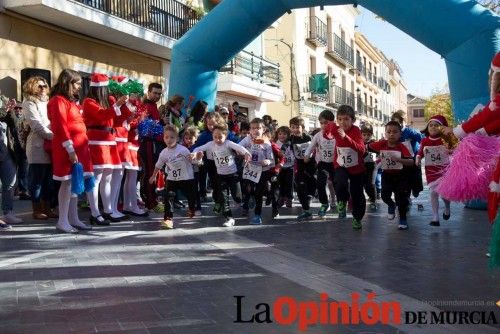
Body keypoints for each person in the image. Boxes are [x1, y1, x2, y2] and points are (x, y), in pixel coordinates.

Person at [442, 51, 500, 267]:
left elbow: (487, 117)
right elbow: (492, 125)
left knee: (495, 197)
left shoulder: (497, 102)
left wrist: (458, 131)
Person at [48, 69, 93, 233]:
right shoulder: (58, 101)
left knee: (74, 182)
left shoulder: (70, 101)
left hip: (78, 147)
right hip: (67, 148)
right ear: (68, 83)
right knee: (66, 183)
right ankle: (62, 220)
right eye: (77, 84)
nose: (79, 87)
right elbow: (60, 126)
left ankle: (73, 218)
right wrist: (70, 149)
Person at [83, 73, 128, 225]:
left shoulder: (109, 100)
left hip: (109, 140)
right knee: (96, 178)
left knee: (107, 177)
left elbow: (118, 119)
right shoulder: (88, 102)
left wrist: (125, 104)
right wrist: (117, 105)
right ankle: (95, 212)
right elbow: (101, 115)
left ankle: (108, 210)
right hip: (96, 140)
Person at [193, 124, 250, 226]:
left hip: (233, 175)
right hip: (220, 176)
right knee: (223, 199)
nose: (218, 140)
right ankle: (229, 218)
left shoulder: (228, 143)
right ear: (212, 136)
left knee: (237, 197)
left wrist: (246, 153)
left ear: (225, 136)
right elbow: (199, 148)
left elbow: (239, 147)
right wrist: (194, 153)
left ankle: (240, 201)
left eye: (220, 137)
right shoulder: (210, 144)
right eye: (215, 137)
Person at [323, 105, 366, 230]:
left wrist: (345, 138)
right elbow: (327, 131)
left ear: (352, 120)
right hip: (341, 164)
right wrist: (327, 133)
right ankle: (342, 200)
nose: (343, 122)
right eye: (340, 119)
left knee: (357, 194)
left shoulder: (356, 131)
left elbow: (361, 150)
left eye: (346, 119)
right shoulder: (335, 127)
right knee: (339, 182)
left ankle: (357, 218)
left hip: (357, 168)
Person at [22, 76, 57, 220]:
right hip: (37, 145)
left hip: (50, 144)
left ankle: (47, 208)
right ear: (31, 87)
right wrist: (54, 136)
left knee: (49, 179)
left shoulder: (48, 101)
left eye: (44, 86)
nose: (43, 89)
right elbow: (36, 125)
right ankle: (36, 209)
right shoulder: (29, 102)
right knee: (36, 180)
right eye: (39, 86)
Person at [369, 121, 415, 230]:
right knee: (384, 195)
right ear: (385, 133)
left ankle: (403, 219)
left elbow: (411, 162)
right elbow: (367, 147)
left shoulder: (402, 146)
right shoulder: (382, 144)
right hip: (387, 175)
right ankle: (391, 204)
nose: (391, 134)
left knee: (401, 199)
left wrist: (399, 159)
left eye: (395, 132)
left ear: (400, 134)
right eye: (388, 132)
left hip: (401, 176)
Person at [149, 125, 196, 229]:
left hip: (186, 178)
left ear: (177, 138)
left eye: (172, 137)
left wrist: (197, 158)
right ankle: (168, 219)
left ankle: (192, 208)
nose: (169, 140)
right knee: (168, 197)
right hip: (172, 179)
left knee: (190, 196)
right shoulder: (164, 152)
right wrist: (153, 176)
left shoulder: (183, 150)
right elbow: (158, 165)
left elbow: (193, 161)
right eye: (166, 137)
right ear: (163, 138)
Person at [416, 115, 452, 226]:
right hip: (431, 171)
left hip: (444, 170)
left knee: (444, 195)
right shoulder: (425, 140)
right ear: (427, 127)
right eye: (431, 125)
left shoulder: (445, 139)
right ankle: (435, 216)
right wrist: (417, 158)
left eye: (436, 125)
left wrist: (449, 150)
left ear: (442, 127)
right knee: (433, 192)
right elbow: (420, 152)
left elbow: (453, 150)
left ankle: (447, 207)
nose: (433, 127)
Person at [239, 118, 275, 225]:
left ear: (263, 129)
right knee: (247, 189)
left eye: (258, 128)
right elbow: (238, 147)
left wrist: (267, 161)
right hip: (249, 169)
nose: (256, 130)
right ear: (250, 130)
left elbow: (272, 160)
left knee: (259, 193)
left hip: (262, 170)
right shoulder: (247, 139)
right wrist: (244, 152)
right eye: (253, 128)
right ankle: (249, 201)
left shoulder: (266, 143)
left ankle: (257, 215)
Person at [304, 110, 336, 218]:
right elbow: (311, 146)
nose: (323, 125)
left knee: (337, 185)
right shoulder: (318, 135)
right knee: (320, 184)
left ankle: (340, 203)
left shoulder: (337, 134)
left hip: (336, 164)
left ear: (332, 122)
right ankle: (324, 203)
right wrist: (307, 154)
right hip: (323, 163)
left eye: (326, 122)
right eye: (321, 123)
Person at [391, 110, 424, 209]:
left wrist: (421, 152)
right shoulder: (394, 133)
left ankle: (416, 189)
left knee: (415, 181)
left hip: (413, 161)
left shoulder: (411, 132)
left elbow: (422, 140)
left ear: (404, 122)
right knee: (404, 182)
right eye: (396, 122)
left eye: (400, 122)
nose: (399, 124)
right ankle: (406, 198)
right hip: (402, 162)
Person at [0, 95, 24, 227]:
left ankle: (8, 213)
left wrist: (12, 111)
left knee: (10, 182)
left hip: (6, 148)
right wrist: (6, 109)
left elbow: (15, 124)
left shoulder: (4, 99)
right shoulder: (4, 105)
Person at [139, 82, 164, 210]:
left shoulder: (153, 106)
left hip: (155, 144)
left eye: (159, 93)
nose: (157, 96)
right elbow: (145, 130)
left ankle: (152, 200)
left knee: (154, 172)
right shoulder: (145, 107)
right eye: (155, 93)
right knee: (150, 173)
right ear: (148, 92)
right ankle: (151, 202)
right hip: (148, 144)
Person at [289, 117, 316, 220]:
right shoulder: (291, 139)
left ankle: (311, 195)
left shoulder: (309, 138)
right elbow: (286, 145)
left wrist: (309, 156)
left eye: (297, 127)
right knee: (300, 186)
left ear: (303, 128)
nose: (295, 129)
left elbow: (315, 148)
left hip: (310, 165)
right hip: (299, 165)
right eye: (293, 127)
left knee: (312, 183)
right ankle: (306, 210)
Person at [274, 126, 294, 208]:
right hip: (281, 167)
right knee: (281, 183)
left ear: (288, 135)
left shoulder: (291, 143)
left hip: (290, 166)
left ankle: (289, 198)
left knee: (290, 183)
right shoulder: (276, 143)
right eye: (280, 134)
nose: (282, 136)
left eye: (284, 134)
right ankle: (281, 198)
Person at [361, 123, 377, 211]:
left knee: (370, 185)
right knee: (362, 185)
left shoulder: (373, 144)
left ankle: (373, 200)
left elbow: (379, 153)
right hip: (361, 167)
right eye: (364, 135)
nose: (367, 137)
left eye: (369, 135)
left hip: (371, 167)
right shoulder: (359, 143)